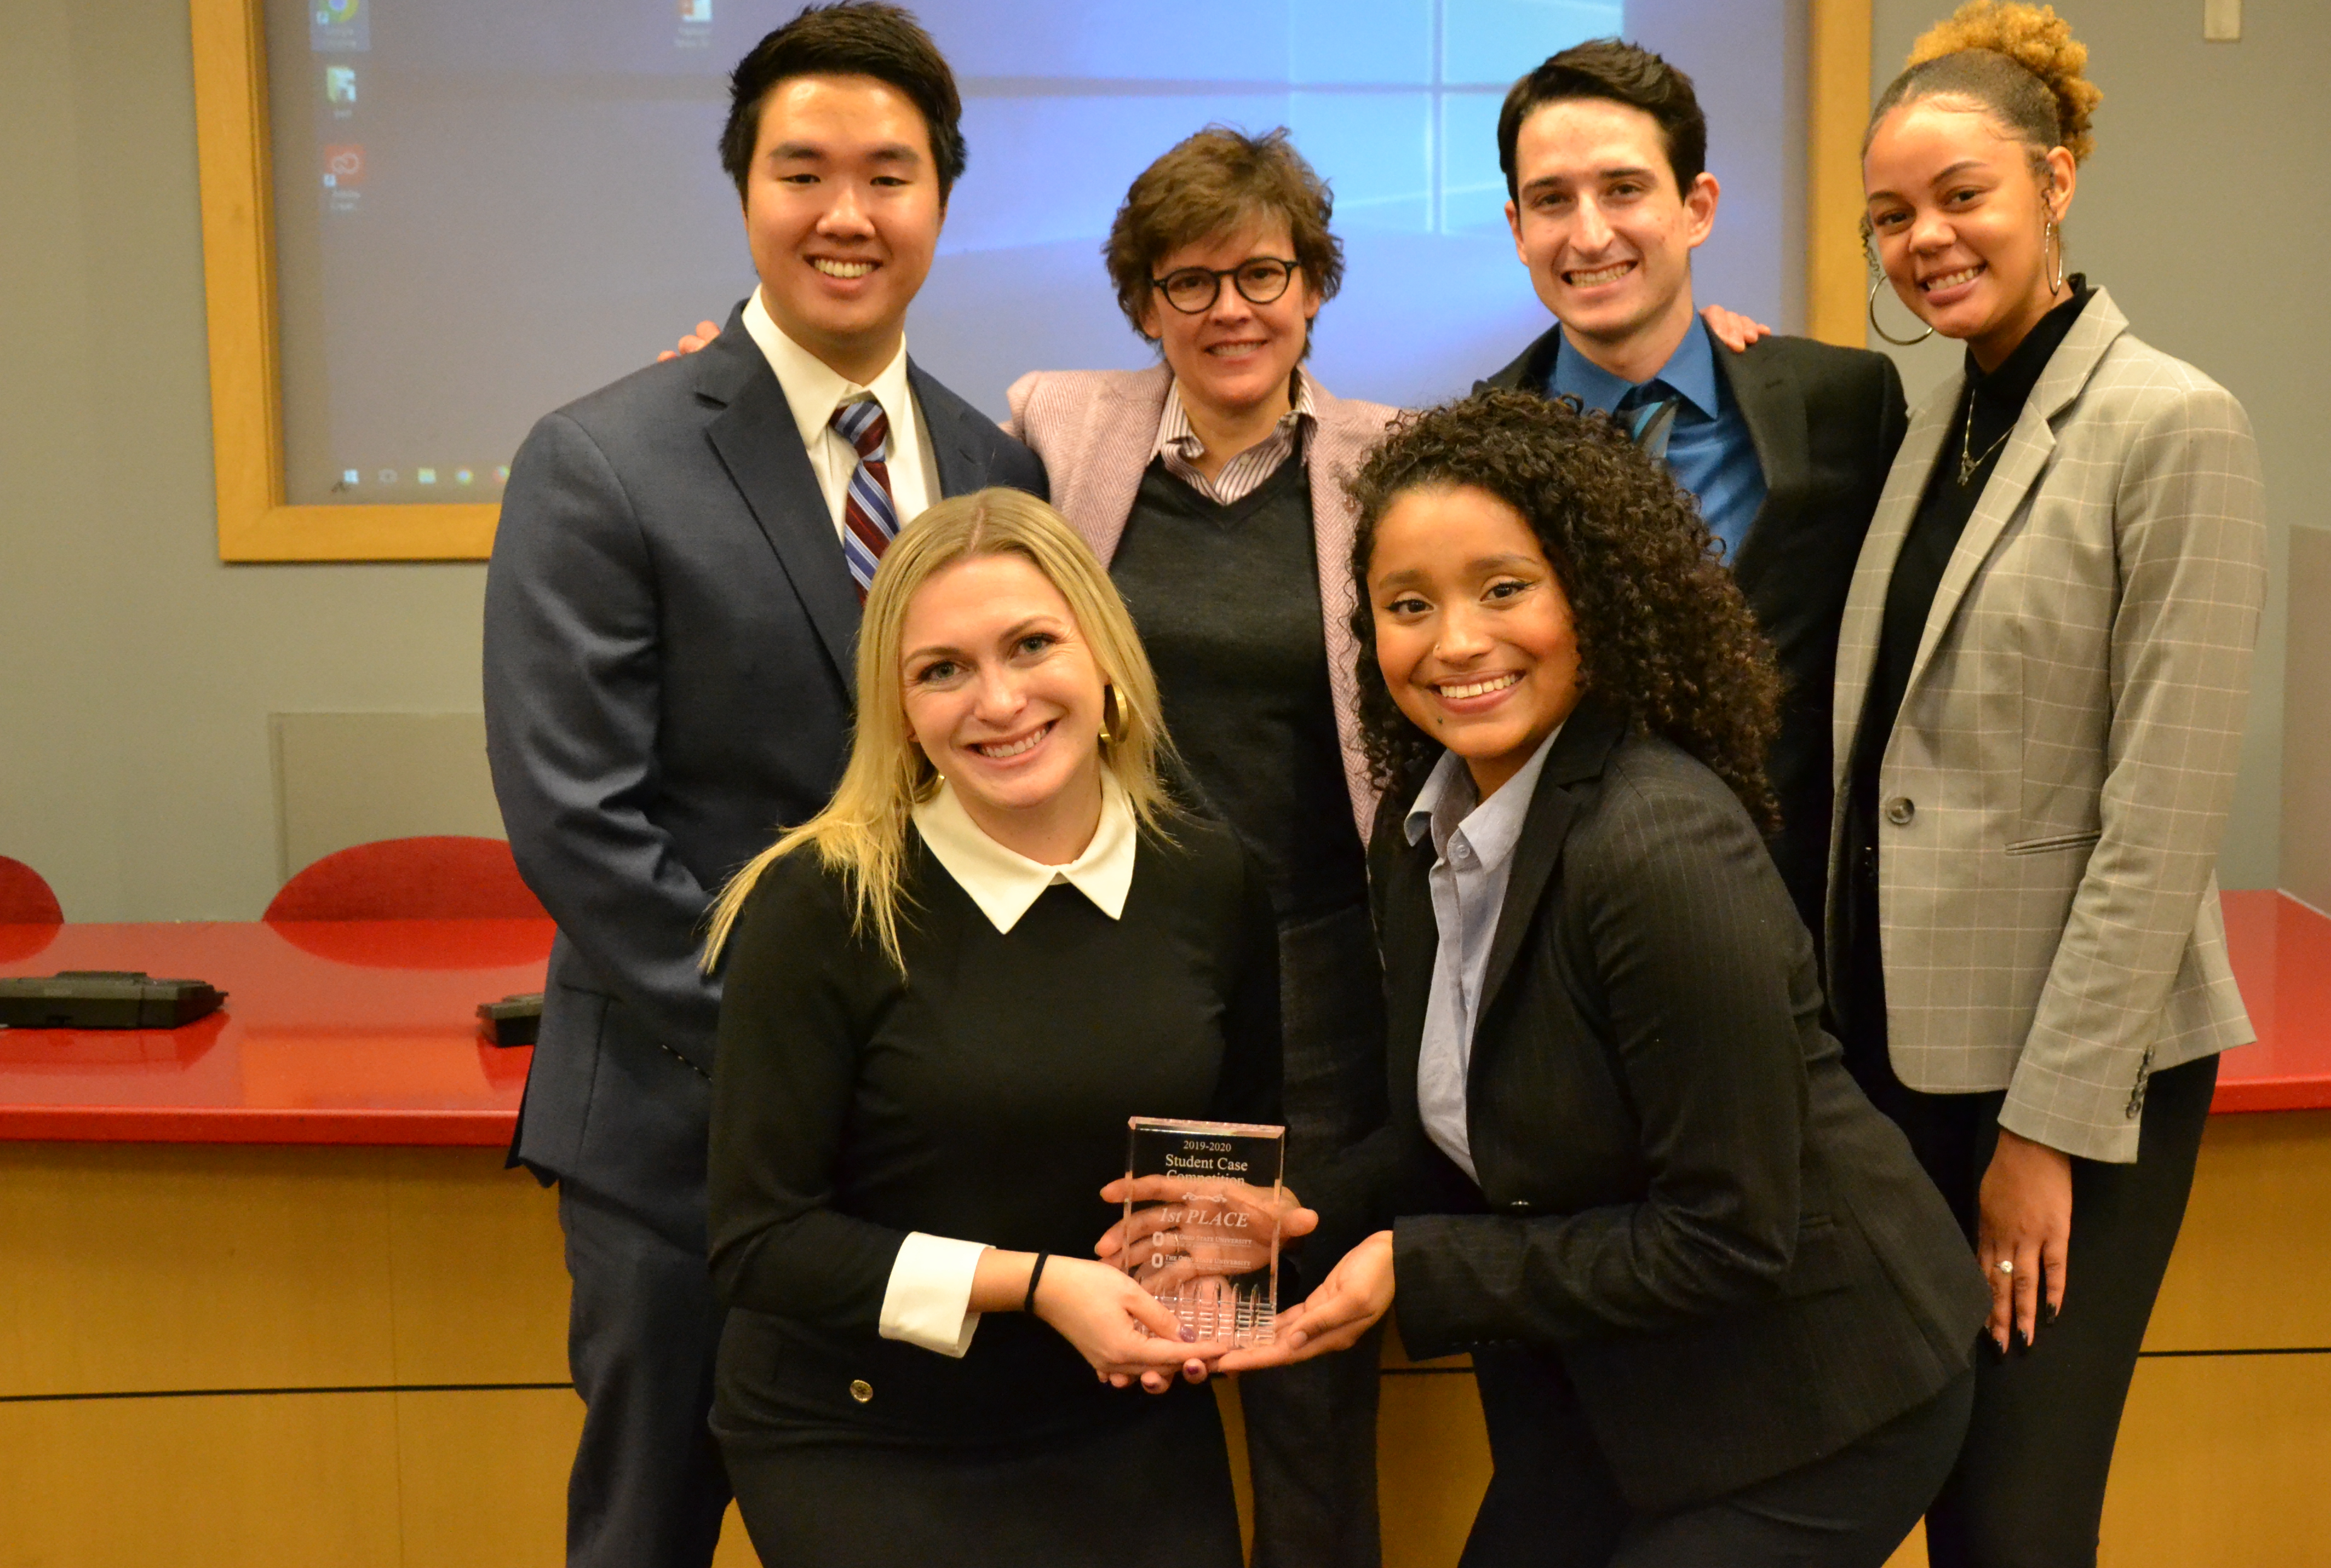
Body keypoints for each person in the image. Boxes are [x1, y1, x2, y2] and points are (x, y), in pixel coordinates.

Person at [1228, 389, 1986, 1568]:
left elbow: (1730, 1238)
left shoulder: (1657, 848)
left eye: (1504, 588)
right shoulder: (1422, 826)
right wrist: (1306, 1217)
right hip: (1621, 1394)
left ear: (1594, 593)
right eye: (1407, 605)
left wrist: (1413, 1267)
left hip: (1816, 1397)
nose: (1457, 642)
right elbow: (1472, 1125)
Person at [484, 0, 1044, 1568]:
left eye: (891, 172)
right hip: (683, 1141)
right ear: (745, 191)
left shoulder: (997, 467)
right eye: (805, 171)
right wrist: (814, 1055)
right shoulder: (603, 459)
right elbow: (577, 822)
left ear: (943, 197)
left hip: (928, 1162)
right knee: (650, 1532)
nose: (848, 213)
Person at [1823, 0, 2267, 1566]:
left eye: (1963, 197)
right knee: (1922, 1489)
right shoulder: (1938, 420)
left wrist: (2048, 1137)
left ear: (2056, 182)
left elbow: (2158, 827)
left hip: (2062, 1084)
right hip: (1901, 1063)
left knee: (2016, 1517)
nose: (1925, 240)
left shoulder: (2170, 425)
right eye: (1891, 215)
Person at [704, 488, 1291, 1568]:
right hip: (865, 1428)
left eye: (1031, 645)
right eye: (943, 670)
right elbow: (760, 1242)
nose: (1000, 701)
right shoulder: (824, 900)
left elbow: (1239, 1150)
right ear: (901, 706)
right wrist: (1039, 1284)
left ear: (1105, 655)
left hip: (1126, 1418)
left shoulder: (1209, 876)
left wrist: (1216, 1259)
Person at [1004, 125, 1394, 1568]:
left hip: (1320, 987)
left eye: (1264, 273)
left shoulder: (1389, 460)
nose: (1231, 309)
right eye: (1190, 283)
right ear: (1143, 303)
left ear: (1313, 285)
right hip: (1114, 967)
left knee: (1296, 1365)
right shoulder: (1059, 425)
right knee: (1111, 1336)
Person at [1480, 39, 1910, 933]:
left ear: (1697, 206)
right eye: (1552, 201)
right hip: (1571, 928)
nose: (1590, 233)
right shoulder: (1480, 447)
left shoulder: (1843, 407)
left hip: (1804, 926)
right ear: (1518, 229)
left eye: (1625, 189)